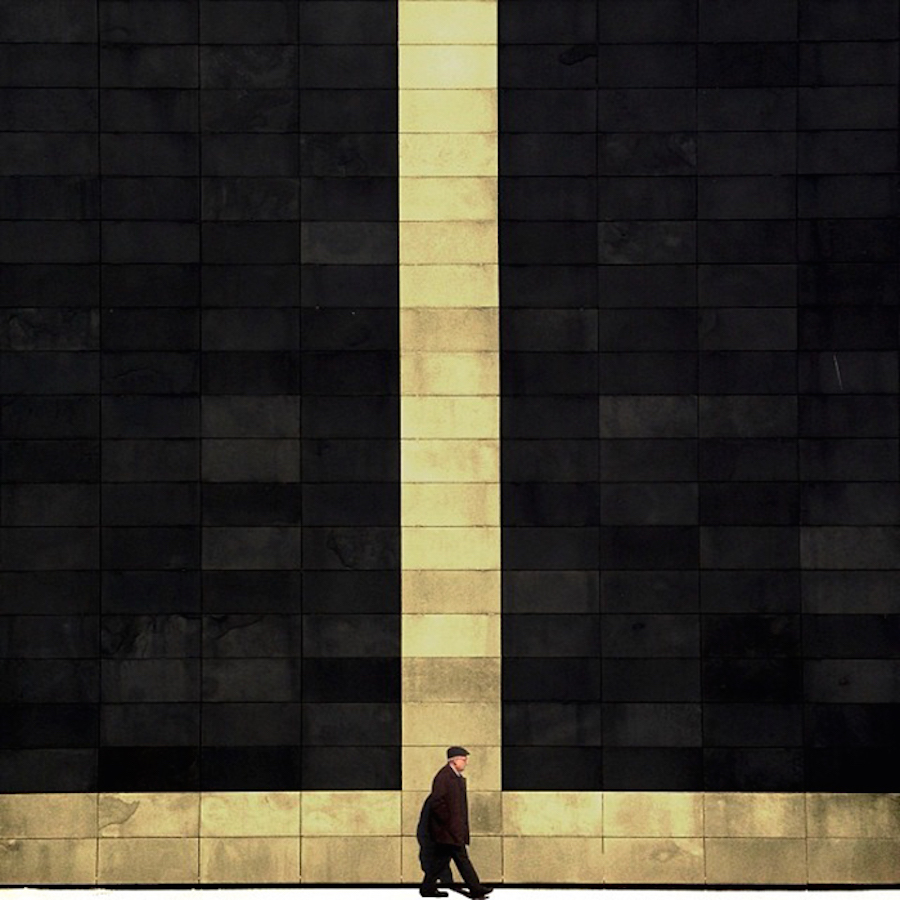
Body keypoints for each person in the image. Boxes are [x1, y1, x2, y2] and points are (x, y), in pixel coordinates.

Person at [420, 746, 493, 899]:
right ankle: (476, 889)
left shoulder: (454, 777)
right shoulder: (444, 777)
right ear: (454, 761)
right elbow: (437, 802)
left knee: (442, 862)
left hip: (451, 831)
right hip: (447, 831)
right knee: (461, 859)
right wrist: (449, 822)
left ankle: (428, 889)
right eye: (464, 760)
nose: (465, 763)